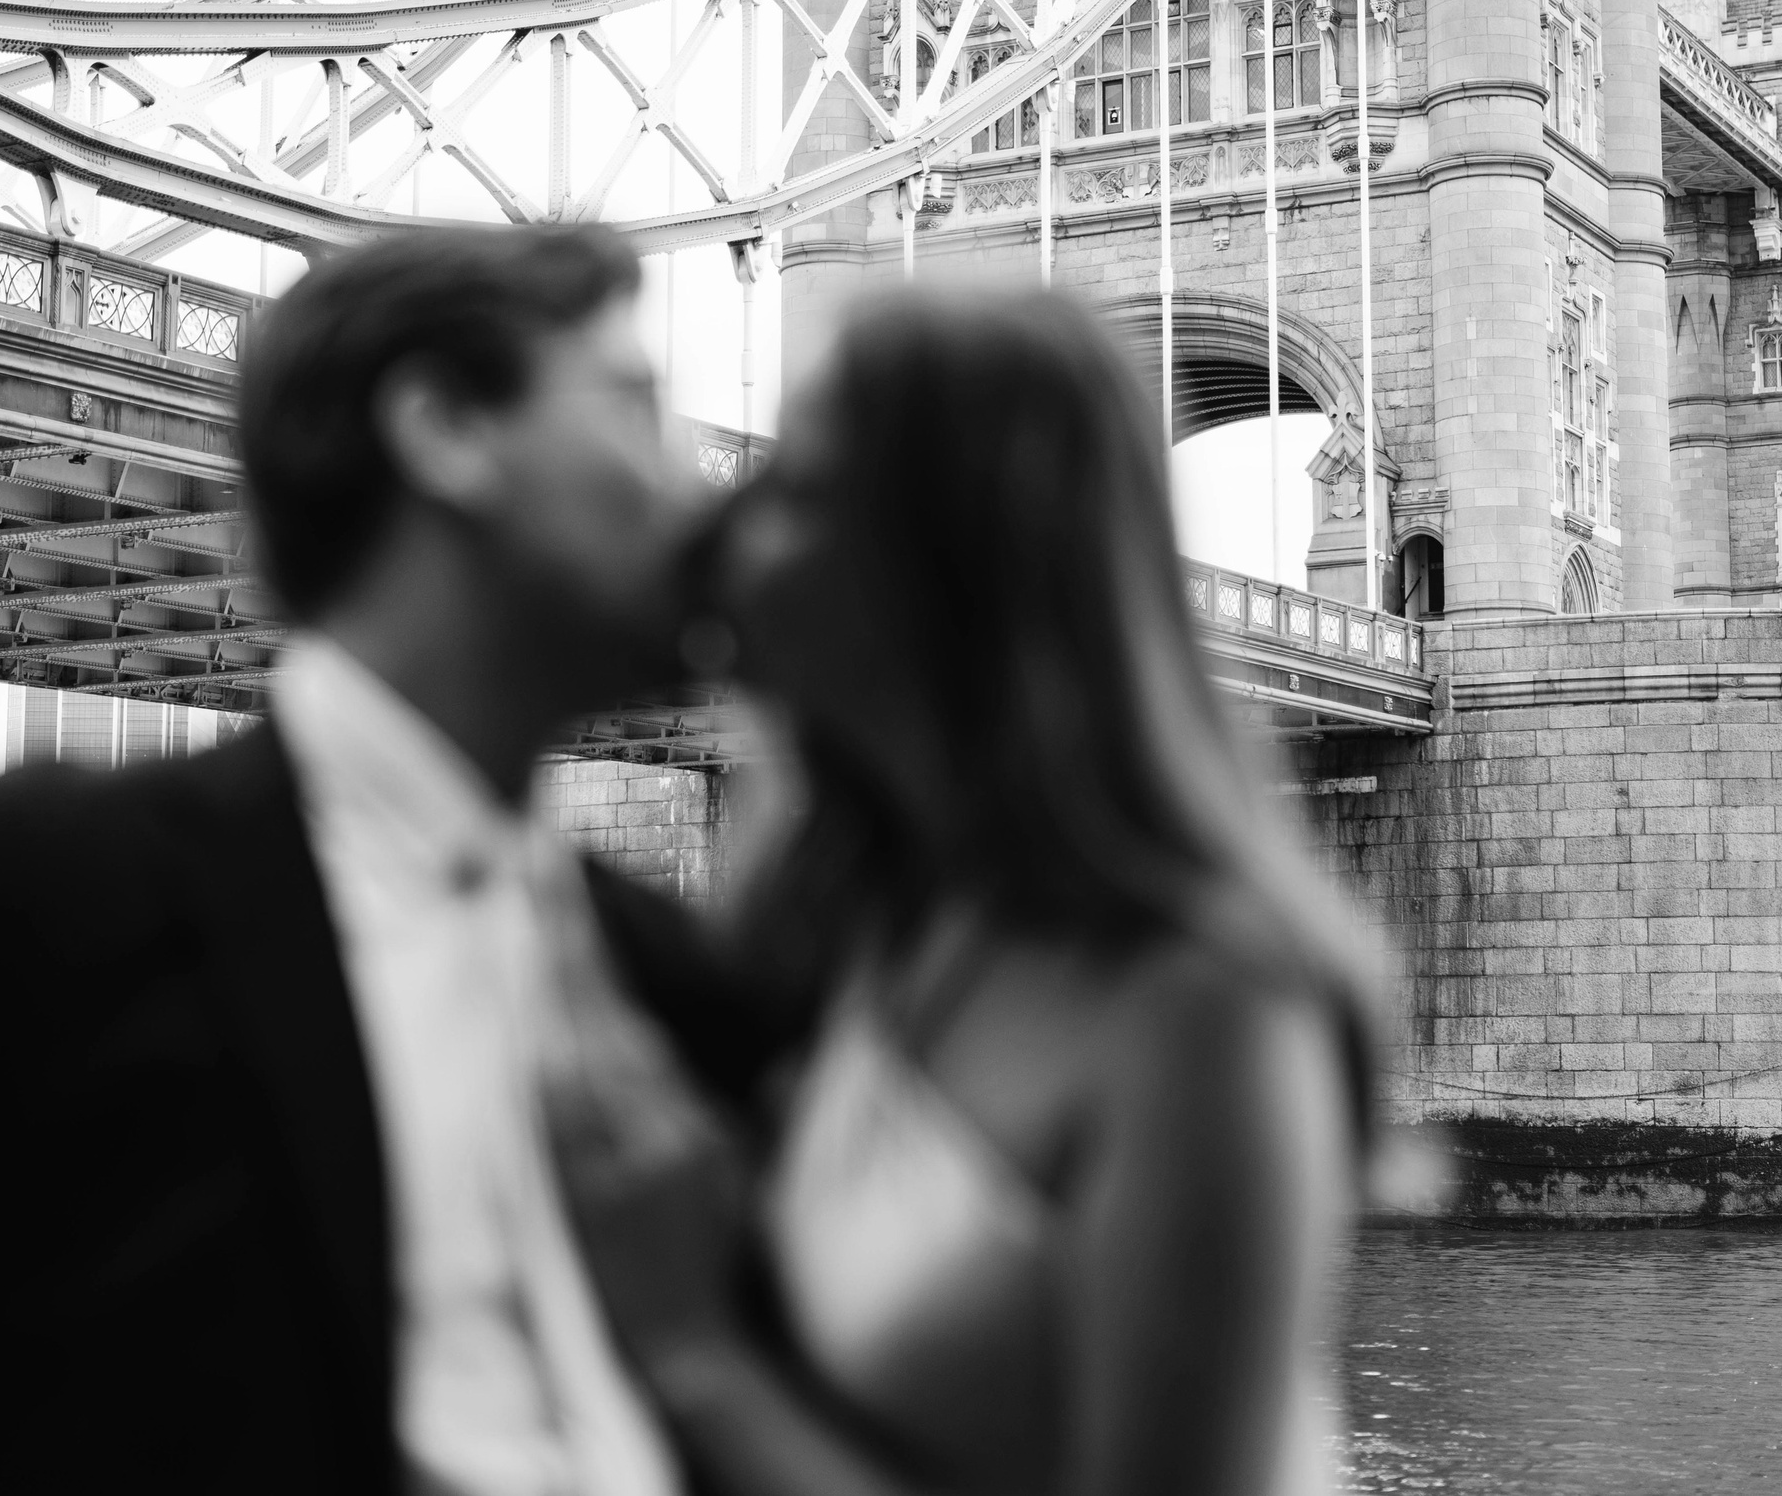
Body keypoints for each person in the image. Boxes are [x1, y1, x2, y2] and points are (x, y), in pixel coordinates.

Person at [0, 225, 726, 1496]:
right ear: (444, 426)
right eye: (633, 408)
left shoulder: (657, 965)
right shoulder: (33, 899)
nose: (696, 490)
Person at [556, 286, 1376, 1496]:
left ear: (956, 562)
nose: (723, 526)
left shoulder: (1205, 1010)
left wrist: (694, 1354)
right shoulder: (851, 917)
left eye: (802, 488)